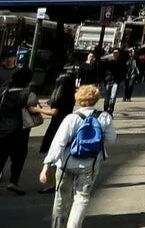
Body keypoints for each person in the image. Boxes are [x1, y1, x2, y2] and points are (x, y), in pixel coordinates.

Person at [40, 83, 114, 228]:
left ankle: (58, 225)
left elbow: (59, 143)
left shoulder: (71, 118)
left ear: (78, 99)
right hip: (90, 163)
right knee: (82, 198)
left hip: (67, 163)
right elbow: (111, 139)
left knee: (61, 198)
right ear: (96, 99)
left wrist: (47, 165)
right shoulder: (104, 117)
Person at [0, 73, 38, 195]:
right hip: (20, 131)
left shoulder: (5, 93)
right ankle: (13, 182)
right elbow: (33, 109)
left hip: (1, 130)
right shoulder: (29, 94)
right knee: (18, 157)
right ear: (27, 82)